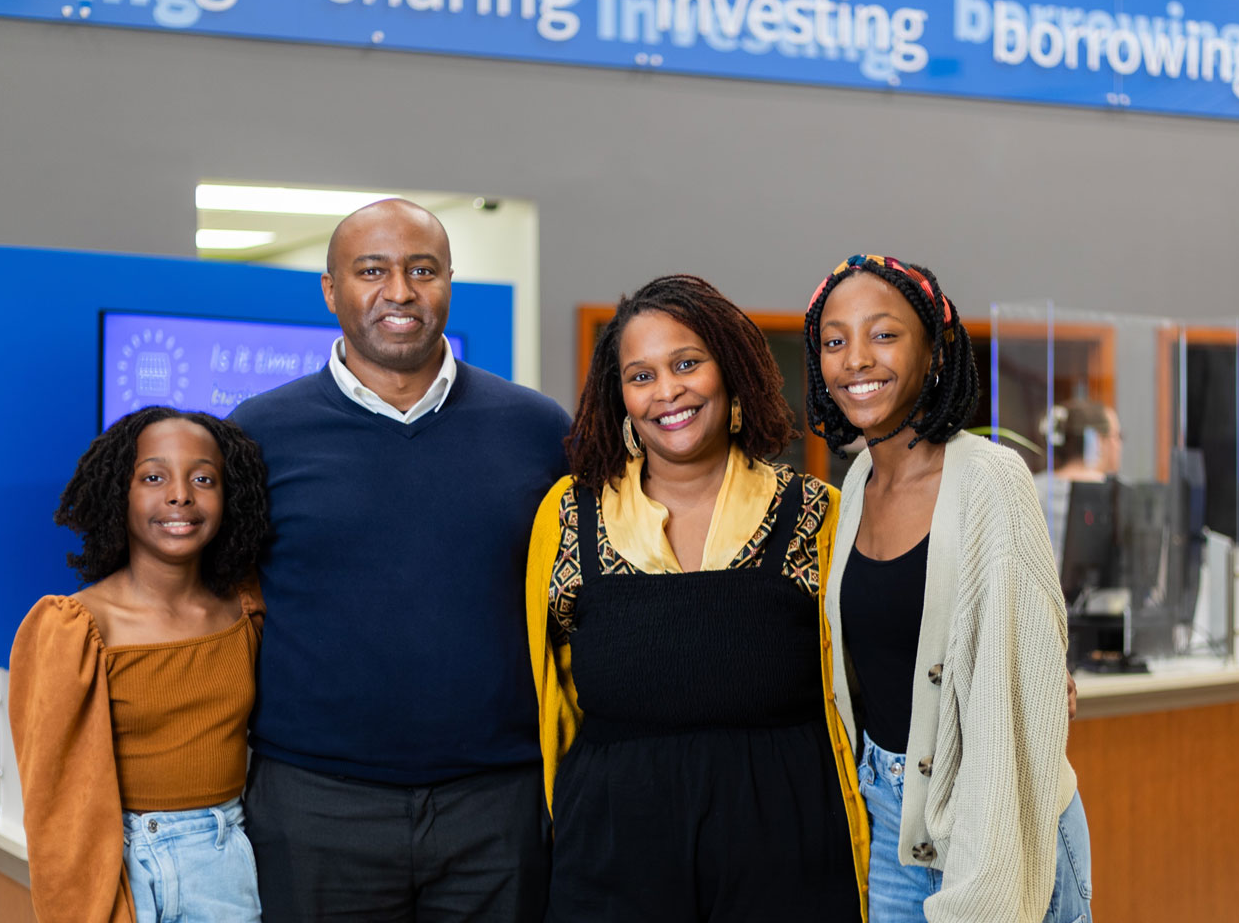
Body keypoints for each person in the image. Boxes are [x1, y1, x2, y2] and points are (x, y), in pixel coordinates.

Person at [228, 198, 572, 921]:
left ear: (449, 281)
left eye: (422, 270)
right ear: (330, 289)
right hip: (315, 805)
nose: (400, 292)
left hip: (498, 806)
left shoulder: (540, 431)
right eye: (371, 270)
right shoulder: (257, 436)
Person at [527, 274, 869, 922]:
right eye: (640, 375)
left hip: (788, 840)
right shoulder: (568, 516)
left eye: (686, 364)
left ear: (731, 373)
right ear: (618, 395)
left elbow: (869, 672)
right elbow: (548, 690)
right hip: (610, 846)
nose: (667, 392)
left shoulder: (816, 515)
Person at [805, 254, 1091, 923]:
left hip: (994, 820)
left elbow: (1017, 711)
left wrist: (981, 884)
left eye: (883, 334)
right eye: (834, 340)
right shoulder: (854, 488)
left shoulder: (990, 480)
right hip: (891, 815)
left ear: (933, 351)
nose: (855, 359)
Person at [9, 406, 270, 923]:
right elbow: (56, 803)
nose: (180, 496)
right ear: (118, 494)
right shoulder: (77, 626)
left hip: (224, 860)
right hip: (122, 861)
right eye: (154, 477)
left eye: (203, 478)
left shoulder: (246, 611)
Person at [1035, 399, 1123, 567]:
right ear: (1098, 440)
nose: (1119, 445)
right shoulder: (1114, 494)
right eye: (1118, 436)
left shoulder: (1031, 488)